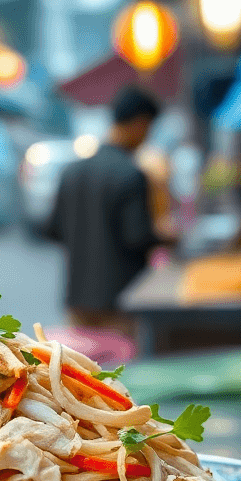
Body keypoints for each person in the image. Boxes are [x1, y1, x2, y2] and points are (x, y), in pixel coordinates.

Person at [46, 87, 164, 335]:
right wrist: (167, 237)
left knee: (81, 369)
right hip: (121, 302)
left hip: (77, 301)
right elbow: (136, 237)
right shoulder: (131, 174)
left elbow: (52, 229)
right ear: (140, 123)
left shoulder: (71, 172)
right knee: (120, 370)